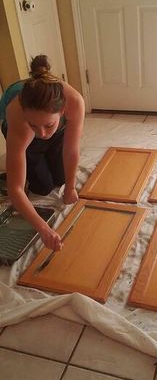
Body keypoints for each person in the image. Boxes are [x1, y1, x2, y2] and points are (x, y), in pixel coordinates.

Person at [0, 54, 85, 251]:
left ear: (63, 110)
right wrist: (44, 229)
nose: (42, 133)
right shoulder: (17, 115)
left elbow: (71, 150)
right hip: (21, 134)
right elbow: (16, 190)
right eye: (35, 125)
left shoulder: (74, 102)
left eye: (48, 125)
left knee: (62, 178)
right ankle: (33, 160)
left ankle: (48, 142)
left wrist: (71, 188)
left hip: (58, 129)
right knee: (43, 187)